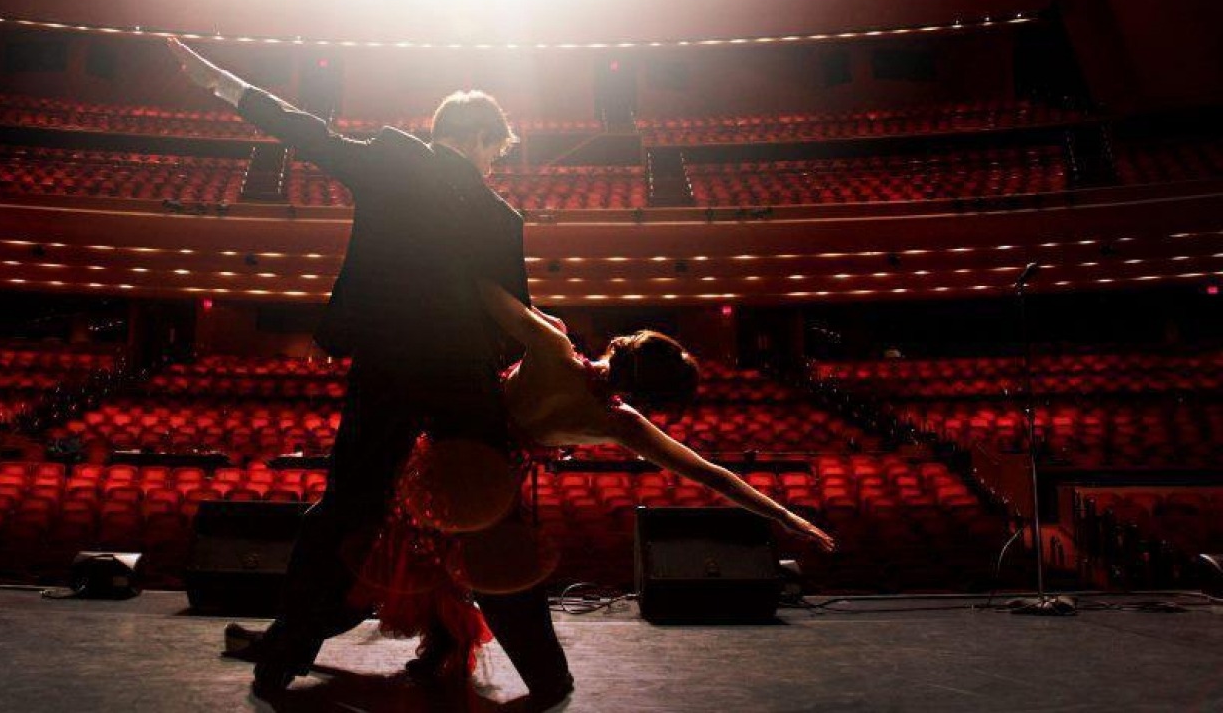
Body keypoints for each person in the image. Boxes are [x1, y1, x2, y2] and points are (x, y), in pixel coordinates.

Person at [166, 39, 574, 706]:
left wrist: (226, 87)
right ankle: (548, 678)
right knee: (492, 528)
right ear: (476, 138)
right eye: (497, 150)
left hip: (385, 367)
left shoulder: (395, 160)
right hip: (464, 382)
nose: (498, 164)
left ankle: (282, 659)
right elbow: (510, 320)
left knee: (342, 515)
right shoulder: (503, 219)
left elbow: (309, 134)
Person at [353, 281, 836, 675]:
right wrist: (785, 515)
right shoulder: (619, 423)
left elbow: (485, 293)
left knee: (416, 550)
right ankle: (446, 645)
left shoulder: (553, 346)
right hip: (491, 484)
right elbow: (711, 475)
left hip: (444, 451)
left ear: (622, 344)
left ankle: (375, 632)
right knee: (457, 563)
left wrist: (539, 315)